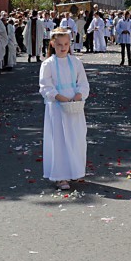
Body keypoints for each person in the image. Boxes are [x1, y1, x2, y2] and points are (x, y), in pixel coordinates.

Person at [39, 29, 89, 191]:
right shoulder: (48, 64)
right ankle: (60, 176)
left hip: (75, 106)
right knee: (59, 140)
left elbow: (83, 82)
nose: (63, 48)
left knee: (77, 138)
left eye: (66, 44)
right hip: (57, 107)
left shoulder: (76, 62)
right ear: (52, 44)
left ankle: (76, 170)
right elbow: (45, 86)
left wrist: (78, 95)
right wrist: (60, 97)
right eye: (59, 44)